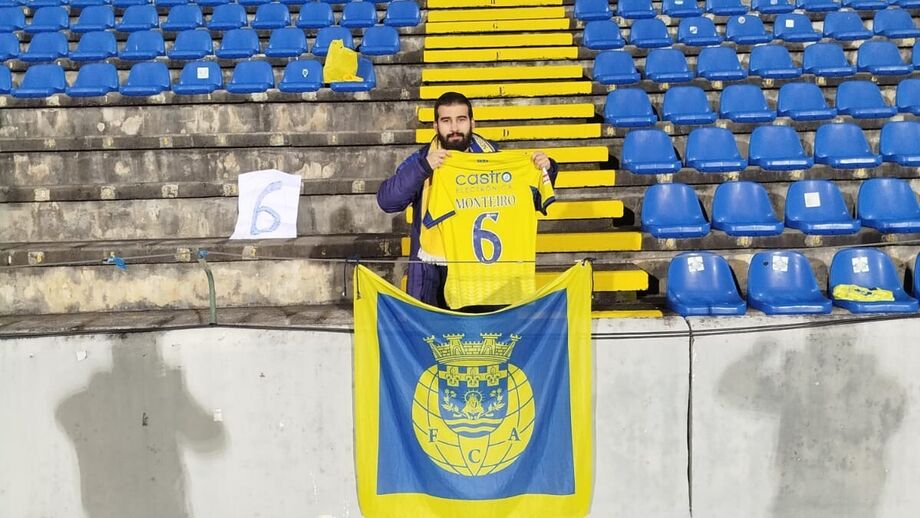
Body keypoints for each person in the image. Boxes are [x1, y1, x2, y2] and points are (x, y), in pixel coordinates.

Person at [377, 91, 559, 308]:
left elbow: (531, 200)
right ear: (435, 126)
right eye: (446, 121)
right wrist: (424, 167)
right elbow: (388, 201)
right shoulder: (422, 159)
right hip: (432, 274)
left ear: (473, 122)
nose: (454, 128)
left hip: (480, 274)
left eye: (461, 119)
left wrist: (547, 168)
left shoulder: (492, 158)